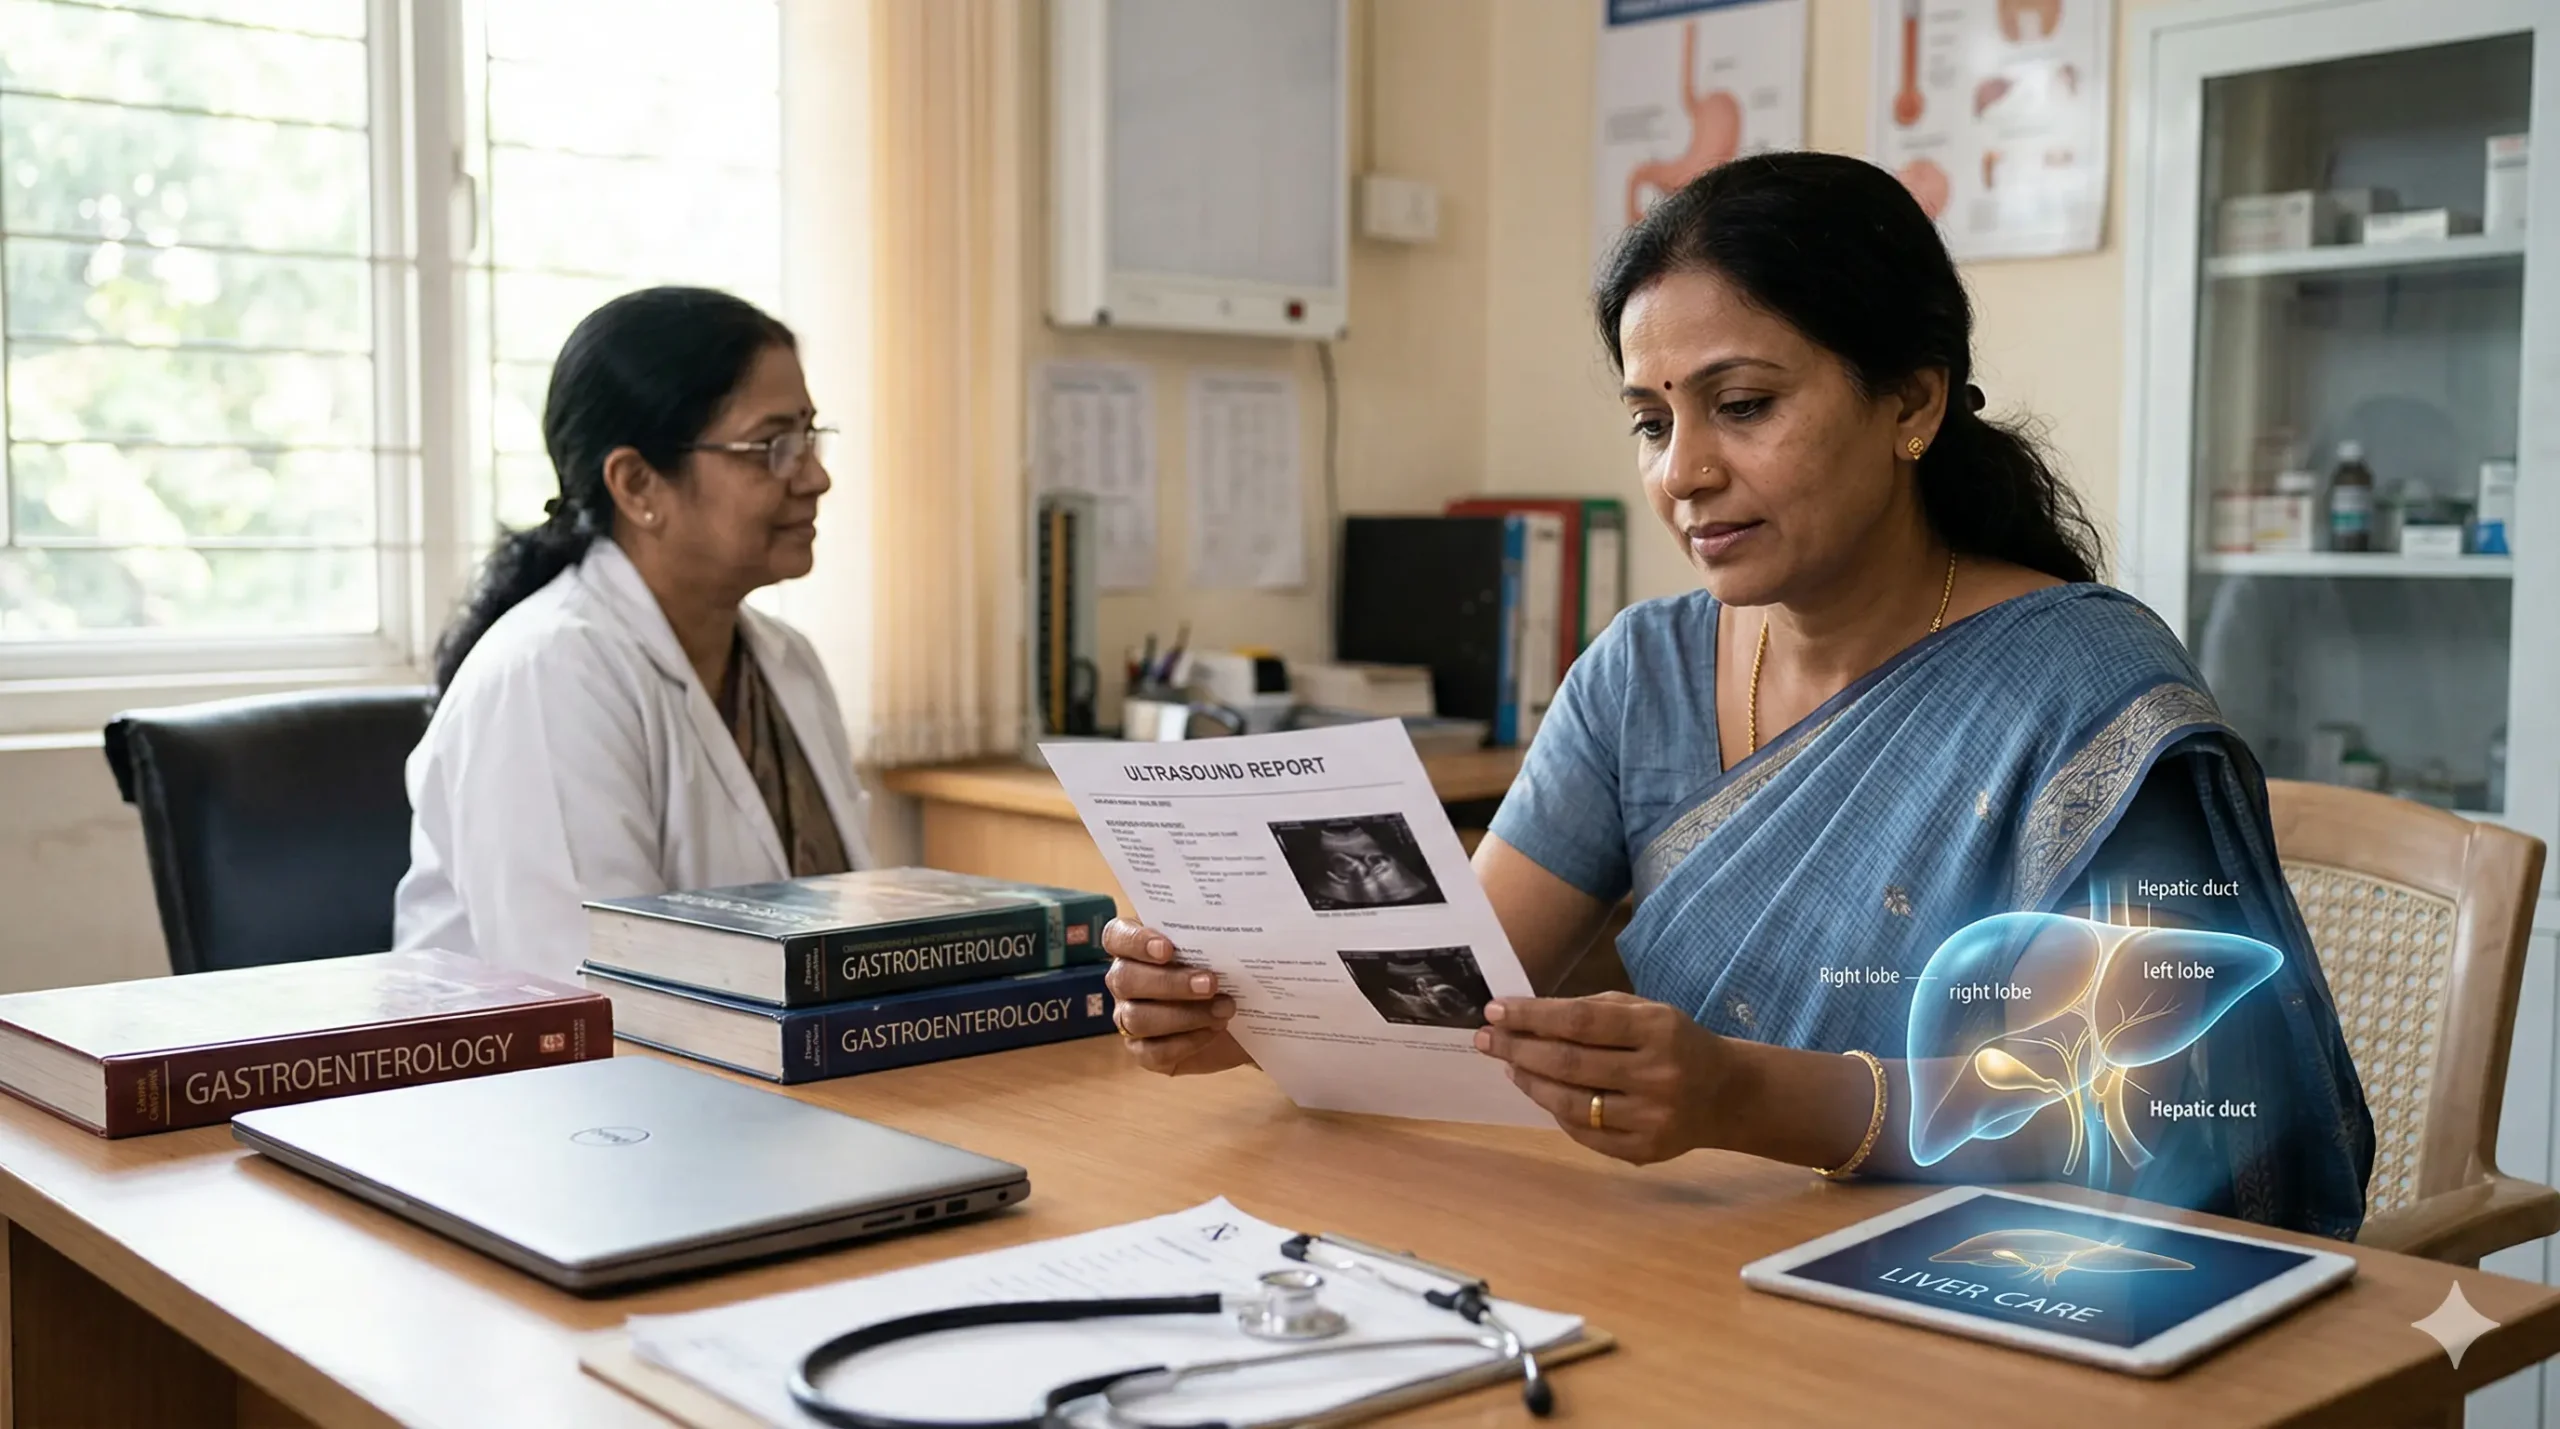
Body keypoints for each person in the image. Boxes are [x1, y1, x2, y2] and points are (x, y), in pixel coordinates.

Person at [1102, 154, 2374, 1238]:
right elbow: (1455, 990)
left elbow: (2186, 1110)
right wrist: (1244, 1011)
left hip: (1994, 1297)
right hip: (1698, 1268)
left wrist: (1743, 1097)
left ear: (1912, 403)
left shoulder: (2085, 693)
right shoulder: (1642, 670)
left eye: (1744, 405)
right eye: (1651, 421)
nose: (1686, 472)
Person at [394, 287, 873, 980]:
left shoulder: (786, 661)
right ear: (638, 484)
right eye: (773, 445)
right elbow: (587, 988)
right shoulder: (548, 676)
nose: (816, 476)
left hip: (763, 1073)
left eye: (810, 436)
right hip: (552, 1083)